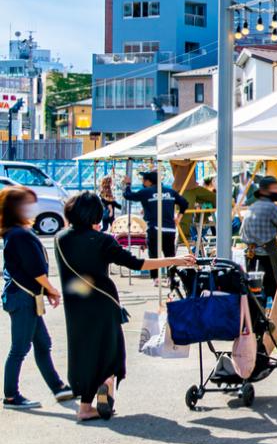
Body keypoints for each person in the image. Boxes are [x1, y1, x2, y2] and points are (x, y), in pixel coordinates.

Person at [52, 192, 190, 422]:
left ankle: (85, 406)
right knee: (111, 350)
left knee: (82, 351)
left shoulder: (60, 239)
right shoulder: (103, 241)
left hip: (75, 306)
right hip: (103, 304)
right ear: (96, 214)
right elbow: (138, 263)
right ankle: (106, 385)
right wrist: (175, 260)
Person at [3, 186, 73, 409]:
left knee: (43, 343)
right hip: (24, 297)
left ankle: (59, 388)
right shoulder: (20, 235)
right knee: (20, 348)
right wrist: (52, 289)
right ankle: (11, 396)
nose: (31, 208)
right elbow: (35, 270)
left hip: (25, 296)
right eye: (26, 203)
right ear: (16, 208)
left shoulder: (15, 233)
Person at [239, 177, 277, 298]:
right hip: (268, 254)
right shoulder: (271, 208)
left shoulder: (252, 208)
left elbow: (242, 233)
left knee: (255, 290)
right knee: (276, 289)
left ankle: (259, 315)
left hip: (251, 254)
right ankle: (273, 314)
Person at [123, 169, 189, 258]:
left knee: (154, 260)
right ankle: (171, 272)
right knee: (170, 259)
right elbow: (184, 203)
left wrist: (127, 184)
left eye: (144, 179)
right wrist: (179, 217)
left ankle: (156, 272)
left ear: (149, 182)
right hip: (169, 230)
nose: (142, 182)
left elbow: (128, 195)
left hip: (155, 229)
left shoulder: (146, 192)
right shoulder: (170, 192)